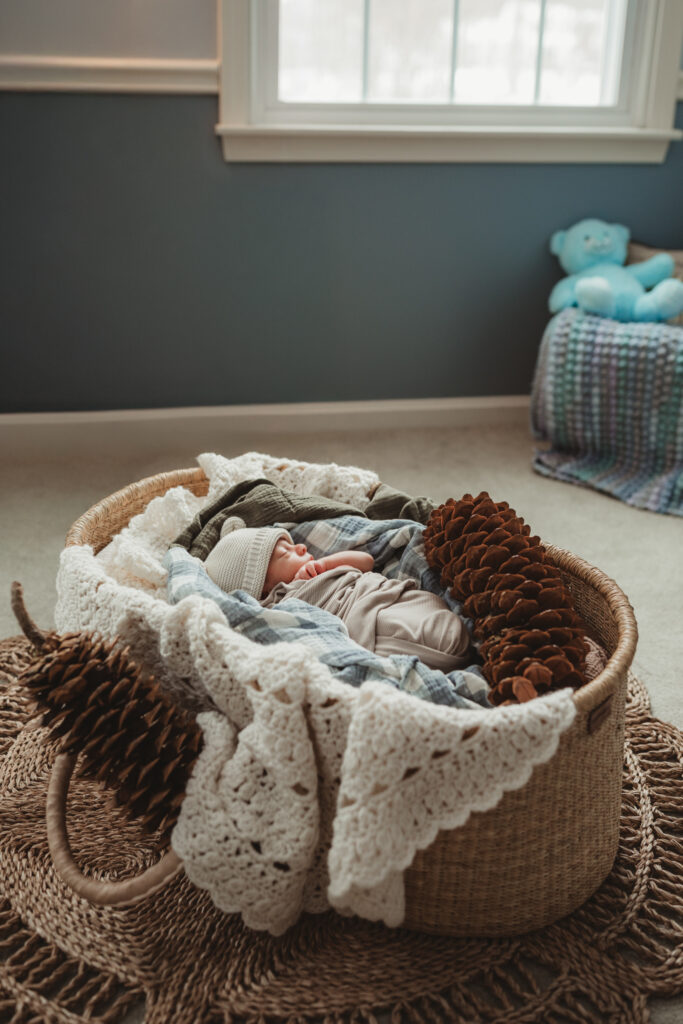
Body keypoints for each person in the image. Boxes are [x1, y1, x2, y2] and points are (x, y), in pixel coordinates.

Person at [204, 517, 472, 673]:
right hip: (359, 624)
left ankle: (444, 643)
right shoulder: (277, 606)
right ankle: (437, 655)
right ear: (262, 585)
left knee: (425, 609)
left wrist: (325, 565)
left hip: (380, 597)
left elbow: (365, 561)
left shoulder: (321, 567)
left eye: (292, 543)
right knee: (394, 635)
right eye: (285, 554)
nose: (299, 547)